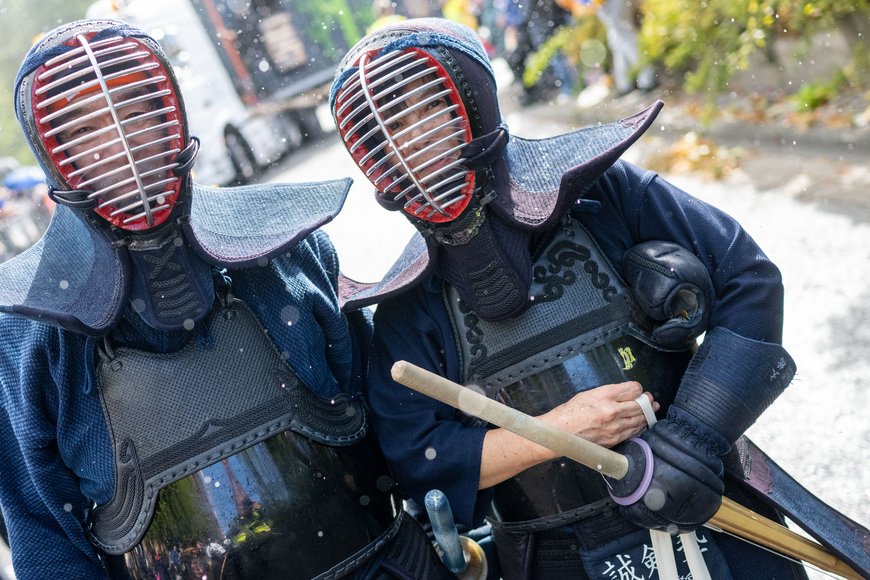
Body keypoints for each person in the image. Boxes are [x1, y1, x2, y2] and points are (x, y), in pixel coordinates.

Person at [329, 18, 807, 579]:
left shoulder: (605, 191)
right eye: (394, 130)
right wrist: (559, 431)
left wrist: (692, 436)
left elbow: (747, 280)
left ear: (473, 100)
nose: (413, 140)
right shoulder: (411, 304)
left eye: (427, 107)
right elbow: (418, 459)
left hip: (708, 500)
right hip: (556, 556)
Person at [0, 19, 451, 580]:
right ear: (57, 156)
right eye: (88, 129)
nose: (120, 142)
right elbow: (44, 534)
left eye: (135, 109)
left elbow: (386, 423)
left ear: (170, 115)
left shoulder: (284, 245)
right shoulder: (30, 331)